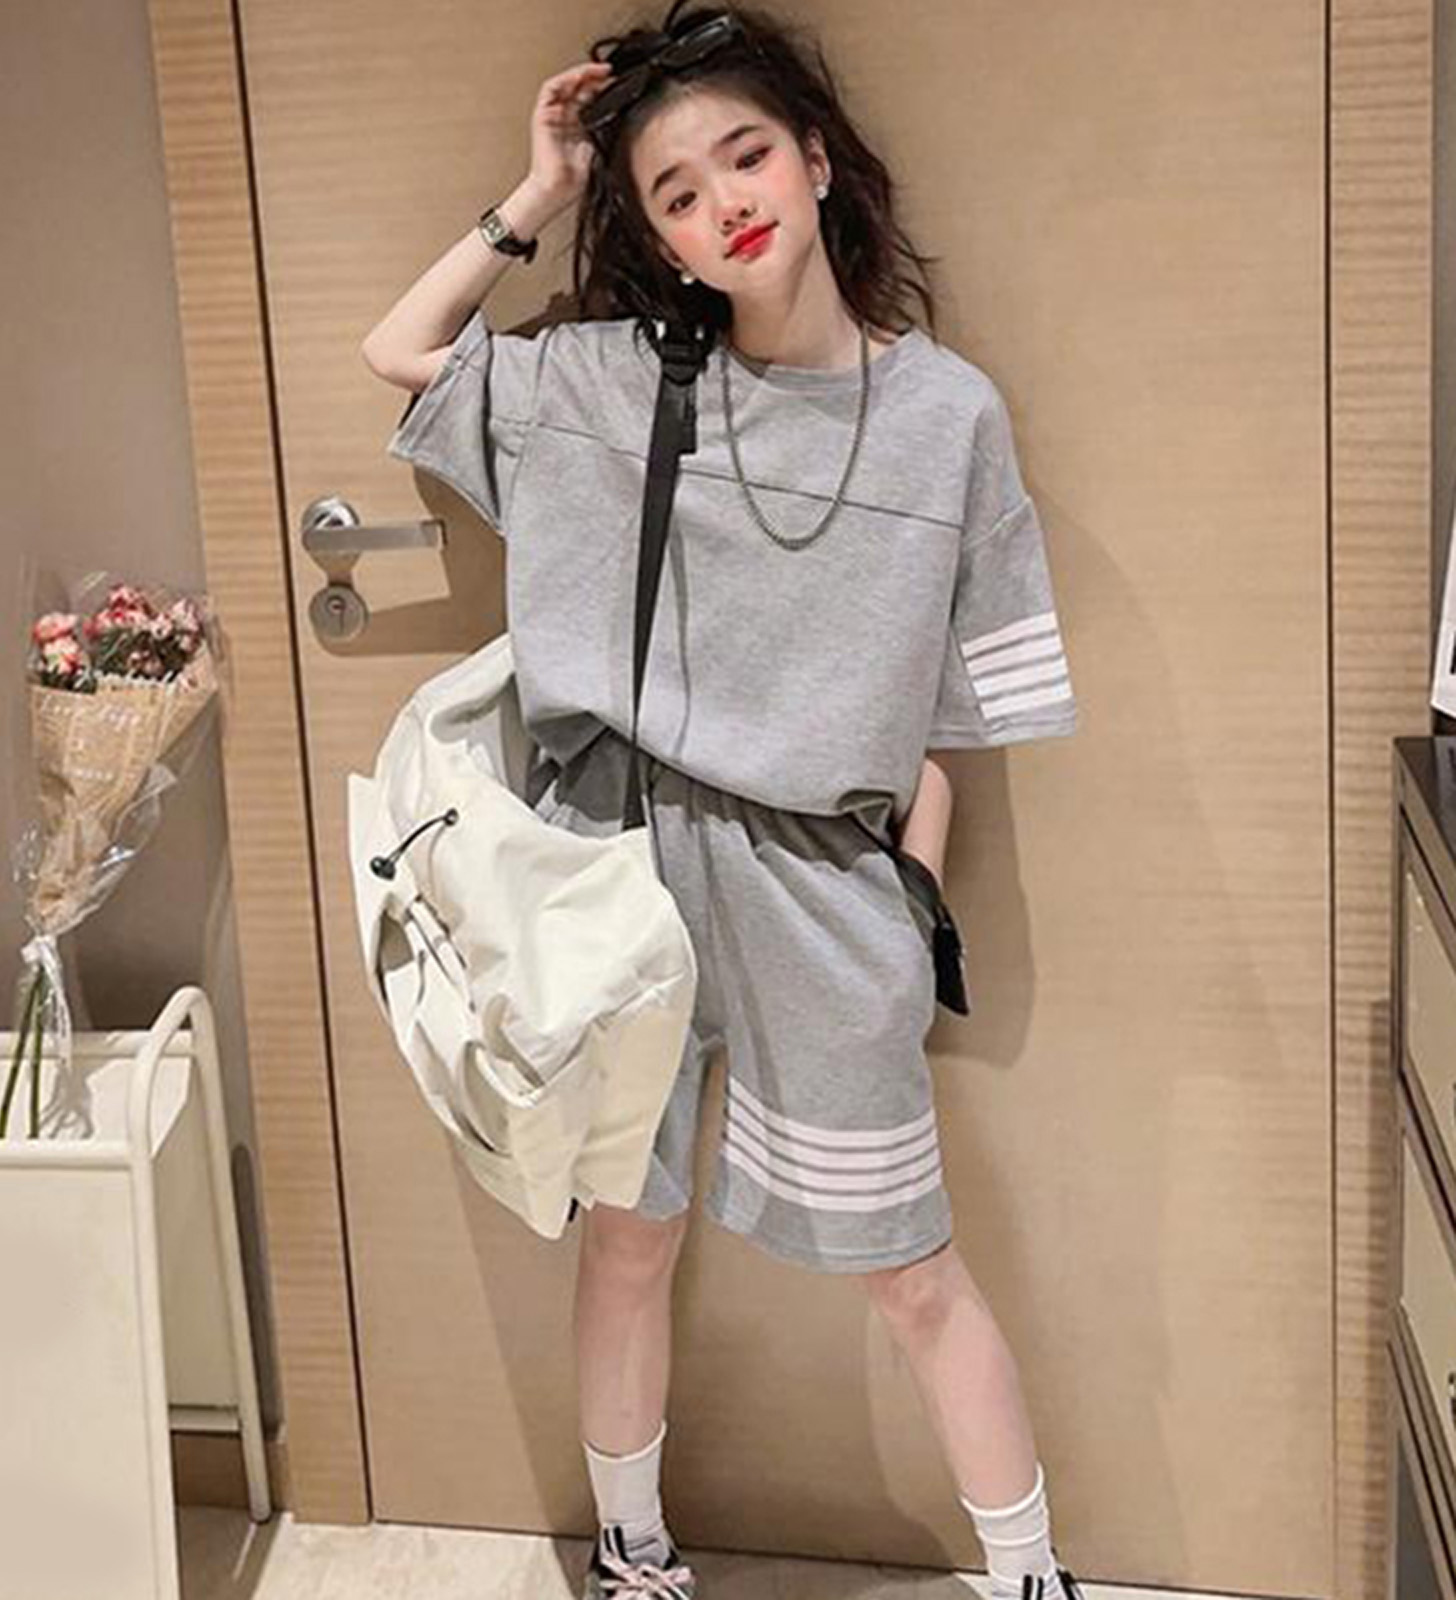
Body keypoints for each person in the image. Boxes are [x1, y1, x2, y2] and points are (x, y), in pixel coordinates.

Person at [361, 5, 1081, 1598]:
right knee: (631, 1237)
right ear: (660, 239)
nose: (723, 205)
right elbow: (404, 353)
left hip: (825, 888)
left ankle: (1030, 1574)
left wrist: (909, 901)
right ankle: (633, 1553)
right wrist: (539, 194)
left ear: (817, 161)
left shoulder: (949, 416)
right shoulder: (615, 384)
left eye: (746, 157)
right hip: (623, 868)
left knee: (908, 1265)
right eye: (676, 195)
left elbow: (955, 715)